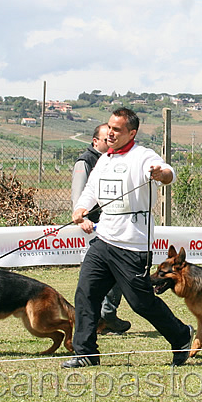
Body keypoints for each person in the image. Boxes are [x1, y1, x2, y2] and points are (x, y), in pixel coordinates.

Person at [62, 107, 193, 368]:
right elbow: (91, 190)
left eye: (117, 129)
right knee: (86, 294)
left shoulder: (143, 156)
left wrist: (160, 174)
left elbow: (168, 173)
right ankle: (85, 353)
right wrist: (81, 208)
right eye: (109, 127)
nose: (110, 133)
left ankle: (181, 335)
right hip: (103, 241)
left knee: (140, 302)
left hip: (132, 245)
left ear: (131, 133)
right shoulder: (104, 159)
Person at [71, 123, 131, 335]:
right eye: (106, 138)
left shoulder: (114, 160)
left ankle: (106, 316)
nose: (111, 140)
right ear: (95, 141)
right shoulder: (86, 161)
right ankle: (102, 317)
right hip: (91, 227)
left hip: (111, 226)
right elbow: (79, 196)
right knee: (95, 279)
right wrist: (82, 218)